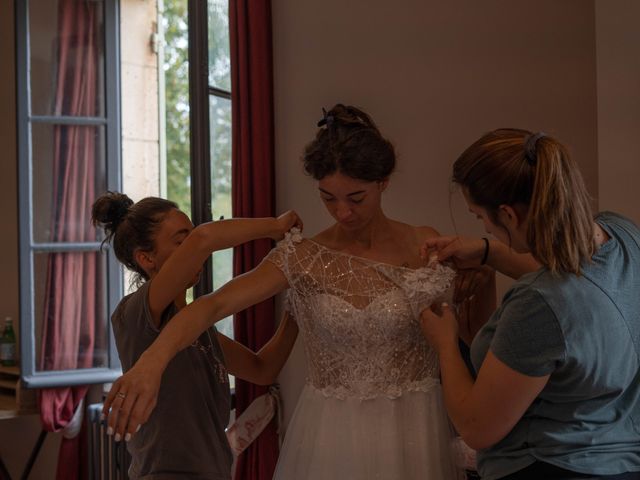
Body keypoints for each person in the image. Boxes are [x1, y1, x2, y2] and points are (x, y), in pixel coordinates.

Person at [102, 105, 495, 480]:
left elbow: (261, 367)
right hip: (330, 432)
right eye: (327, 198)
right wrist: (151, 364)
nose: (342, 212)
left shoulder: (426, 246)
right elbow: (213, 303)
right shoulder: (302, 257)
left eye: (355, 198)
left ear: (383, 183)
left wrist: (299, 310)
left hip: (413, 427)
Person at [420, 128, 640, 480]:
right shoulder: (624, 236)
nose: (485, 229)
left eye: (481, 217)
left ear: (508, 215)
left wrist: (446, 343)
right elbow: (572, 274)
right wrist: (487, 252)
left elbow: (477, 427)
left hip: (551, 466)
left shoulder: (538, 305)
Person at [91, 192, 301, 479]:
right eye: (182, 241)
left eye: (190, 238)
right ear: (147, 259)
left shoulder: (199, 329)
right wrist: (274, 226)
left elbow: (262, 369)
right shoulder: (136, 315)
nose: (194, 249)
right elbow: (205, 239)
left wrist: (297, 307)